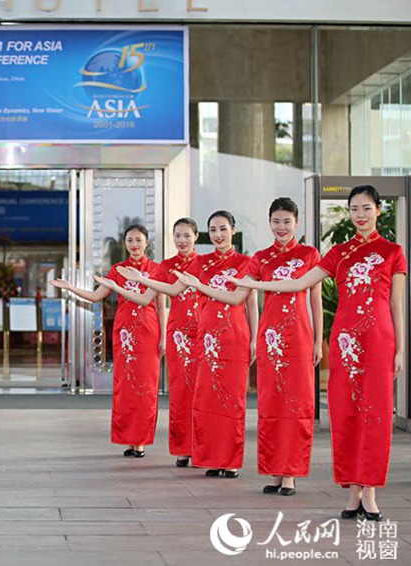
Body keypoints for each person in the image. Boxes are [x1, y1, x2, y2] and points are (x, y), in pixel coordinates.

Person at [230, 186, 405, 520]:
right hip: (343, 342)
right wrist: (258, 285)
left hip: (380, 341)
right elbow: (297, 284)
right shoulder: (338, 253)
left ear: (378, 210)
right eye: (354, 209)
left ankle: (370, 491)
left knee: (376, 414)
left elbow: (397, 304)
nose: (360, 215)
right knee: (346, 414)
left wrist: (401, 349)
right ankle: (353, 492)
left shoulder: (392, 251)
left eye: (366, 208)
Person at [175, 199, 321, 495]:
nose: (281, 227)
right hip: (270, 338)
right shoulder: (260, 258)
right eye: (276, 221)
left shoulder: (309, 254)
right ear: (269, 222)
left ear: (296, 222)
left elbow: (314, 298)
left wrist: (319, 340)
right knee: (270, 405)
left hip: (299, 337)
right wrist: (199, 286)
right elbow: (236, 298)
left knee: (295, 405)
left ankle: (290, 472)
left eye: (286, 221)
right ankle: (275, 472)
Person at [121, 211, 257, 478]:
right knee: (205, 398)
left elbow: (248, 301)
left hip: (232, 337)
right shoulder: (202, 263)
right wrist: (142, 279)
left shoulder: (246, 262)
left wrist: (254, 337)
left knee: (230, 400)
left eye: (223, 229)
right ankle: (210, 455)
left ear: (233, 230)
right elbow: (172, 290)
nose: (218, 235)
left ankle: (229, 459)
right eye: (213, 230)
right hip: (203, 339)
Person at [51, 225, 164, 457]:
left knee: (146, 386)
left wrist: (163, 336)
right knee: (126, 386)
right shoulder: (118, 269)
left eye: (138, 240)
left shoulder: (156, 270)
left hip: (147, 332)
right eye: (130, 240)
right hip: (124, 333)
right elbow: (95, 296)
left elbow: (160, 305)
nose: (134, 244)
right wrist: (70, 288)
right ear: (125, 243)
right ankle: (129, 439)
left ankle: (140, 441)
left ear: (147, 243)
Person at [154, 218, 201, 467]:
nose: (182, 241)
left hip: (204, 334)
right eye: (177, 236)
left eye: (187, 235)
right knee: (181, 392)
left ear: (196, 237)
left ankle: (203, 447)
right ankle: (183, 448)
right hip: (179, 336)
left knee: (203, 394)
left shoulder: (205, 264)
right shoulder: (166, 266)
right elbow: (154, 298)